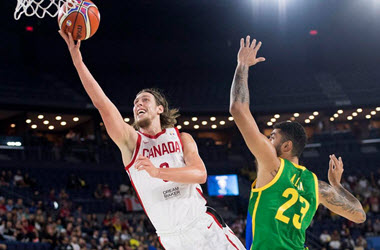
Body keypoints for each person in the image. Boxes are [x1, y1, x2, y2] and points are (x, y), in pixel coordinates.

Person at [59, 31, 245, 250]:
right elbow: (102, 104)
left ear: (160, 108)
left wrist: (158, 172)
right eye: (136, 102)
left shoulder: (181, 137)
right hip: (171, 240)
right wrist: (78, 61)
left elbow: (200, 174)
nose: (138, 104)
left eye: (145, 100)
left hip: (203, 228)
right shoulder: (130, 142)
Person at [229, 35, 366, 250]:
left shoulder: (272, 164)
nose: (267, 139)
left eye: (272, 136)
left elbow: (238, 109)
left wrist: (242, 65)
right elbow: (359, 215)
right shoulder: (316, 185)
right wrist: (337, 185)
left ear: (286, 147)